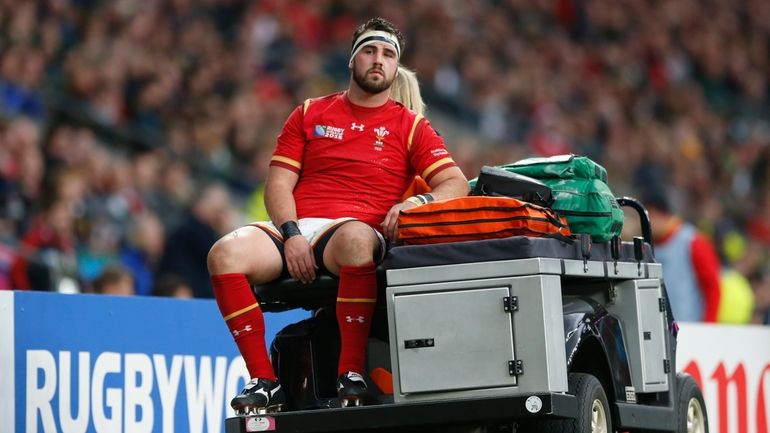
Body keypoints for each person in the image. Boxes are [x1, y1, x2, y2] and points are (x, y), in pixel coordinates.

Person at [207, 17, 469, 413]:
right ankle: (264, 380)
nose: (378, 60)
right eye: (369, 50)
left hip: (353, 229)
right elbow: (277, 185)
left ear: (396, 67)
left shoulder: (410, 125)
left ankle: (351, 372)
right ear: (351, 60)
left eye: (388, 54)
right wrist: (292, 233)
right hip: (294, 228)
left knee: (356, 241)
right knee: (223, 254)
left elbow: (456, 182)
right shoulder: (310, 111)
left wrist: (418, 203)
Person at [645, 189, 721, 322]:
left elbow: (712, 288)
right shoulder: (647, 244)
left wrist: (708, 327)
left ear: (659, 214)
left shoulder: (693, 241)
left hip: (690, 327)